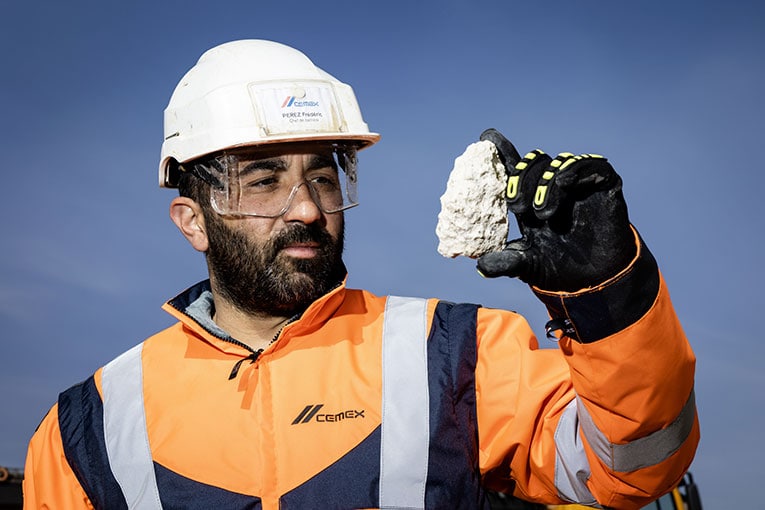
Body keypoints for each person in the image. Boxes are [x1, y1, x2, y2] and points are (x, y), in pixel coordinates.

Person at [22, 39, 698, 510]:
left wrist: (611, 303)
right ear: (191, 219)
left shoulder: (454, 354)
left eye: (322, 176)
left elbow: (631, 470)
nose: (310, 209)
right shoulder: (91, 425)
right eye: (264, 182)